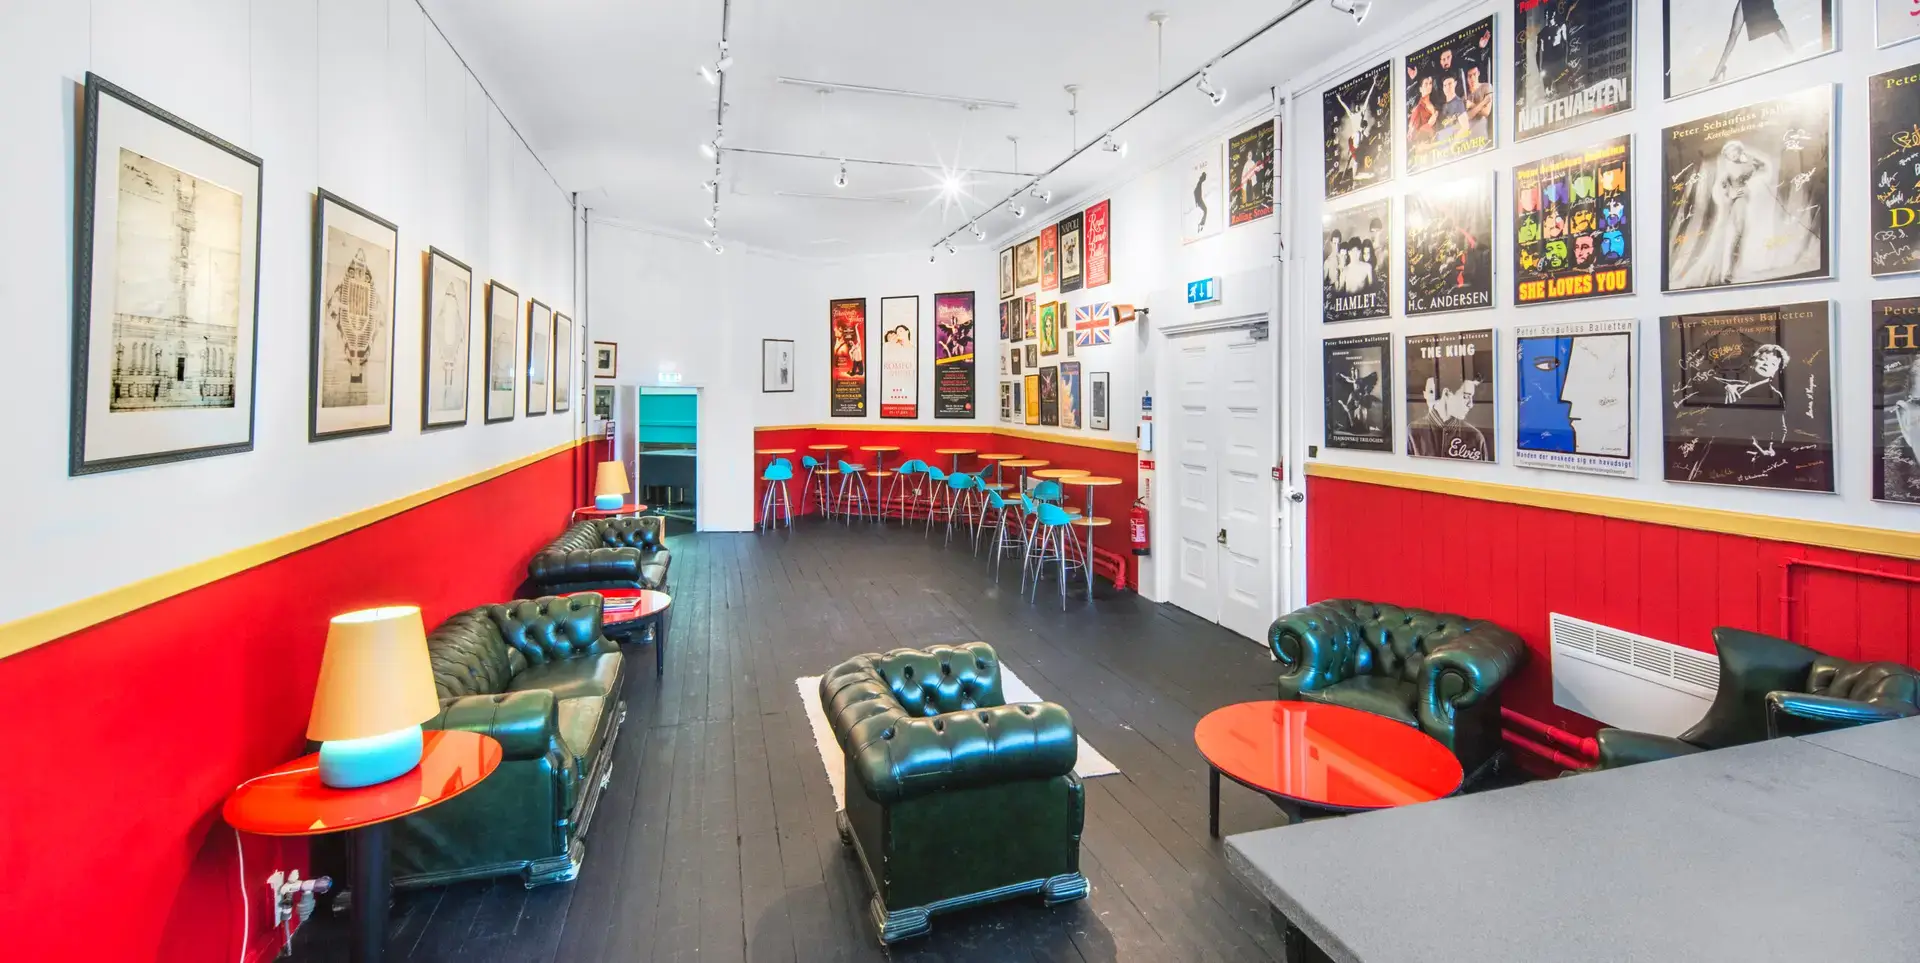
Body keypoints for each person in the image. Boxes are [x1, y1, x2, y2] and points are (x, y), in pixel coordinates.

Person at [1409, 375, 1489, 460]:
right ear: (1447, 394)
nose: (1470, 404)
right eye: (1465, 397)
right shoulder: (1413, 432)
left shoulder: (1475, 437)